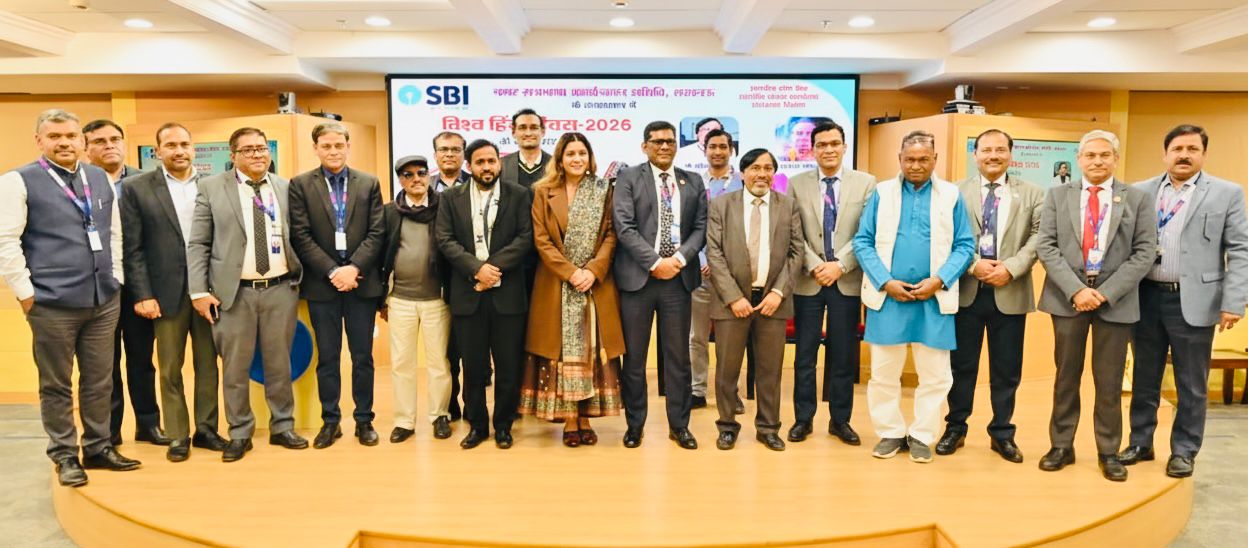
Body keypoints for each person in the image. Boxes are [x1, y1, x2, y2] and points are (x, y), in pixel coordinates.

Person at [0, 109, 140, 486]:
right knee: (56, 384)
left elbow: (113, 233)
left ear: (82, 140)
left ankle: (98, 447)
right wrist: (26, 294)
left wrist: (116, 278)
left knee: (100, 380)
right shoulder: (17, 181)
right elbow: (5, 242)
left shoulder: (98, 177)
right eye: (54, 136)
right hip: (51, 303)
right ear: (39, 141)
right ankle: (64, 454)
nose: (64, 142)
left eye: (71, 136)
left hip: (102, 299)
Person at [1120, 125, 1248, 478]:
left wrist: (1234, 301)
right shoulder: (1140, 191)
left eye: (1192, 149)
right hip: (1145, 296)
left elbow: (1240, 250)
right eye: (1177, 149)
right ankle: (1140, 443)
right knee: (1144, 376)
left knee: (1191, 383)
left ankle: (1184, 450)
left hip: (1194, 300)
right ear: (1165, 154)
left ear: (1203, 154)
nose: (1184, 155)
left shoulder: (1226, 193)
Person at [1035, 129, 1156, 482]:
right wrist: (1076, 290)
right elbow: (1046, 246)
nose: (1097, 161)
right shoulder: (1057, 195)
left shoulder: (1137, 199)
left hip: (1115, 302)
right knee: (1065, 377)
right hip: (1068, 299)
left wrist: (1105, 292)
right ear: (1079, 160)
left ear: (1116, 158)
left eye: (1105, 155)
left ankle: (1108, 451)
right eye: (1090, 155)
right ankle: (1061, 446)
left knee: (1109, 380)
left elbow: (1145, 251)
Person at [852, 130, 975, 464]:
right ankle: (890, 432)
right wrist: (885, 281)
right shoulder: (881, 193)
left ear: (935, 159)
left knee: (936, 375)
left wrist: (939, 280)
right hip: (888, 298)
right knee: (883, 373)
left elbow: (965, 245)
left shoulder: (951, 195)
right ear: (900, 159)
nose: (916, 165)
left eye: (923, 159)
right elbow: (862, 241)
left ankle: (922, 435)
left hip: (933, 299)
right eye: (910, 159)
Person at [187, 127, 308, 462]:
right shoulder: (211, 188)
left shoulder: (285, 187)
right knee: (235, 368)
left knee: (279, 363)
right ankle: (240, 432)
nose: (257, 154)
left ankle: (283, 426)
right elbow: (198, 243)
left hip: (280, 289)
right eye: (248, 149)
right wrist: (198, 291)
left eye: (262, 148)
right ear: (233, 154)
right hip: (233, 294)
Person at [935, 129, 1044, 463]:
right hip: (967, 291)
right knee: (961, 366)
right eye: (986, 150)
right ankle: (955, 427)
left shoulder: (1033, 193)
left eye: (1000, 150)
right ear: (975, 154)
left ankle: (1002, 433)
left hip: (1010, 290)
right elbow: (944, 235)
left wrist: (1011, 267)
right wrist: (973, 265)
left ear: (1010, 154)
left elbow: (1039, 236)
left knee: (1007, 369)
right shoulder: (954, 192)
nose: (993, 156)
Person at [121, 122, 226, 462]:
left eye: (184, 144)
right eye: (170, 145)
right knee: (169, 368)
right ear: (158, 151)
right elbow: (133, 247)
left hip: (207, 291)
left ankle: (206, 430)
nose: (179, 151)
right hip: (164, 294)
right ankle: (178, 434)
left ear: (193, 148)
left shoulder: (213, 185)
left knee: (208, 364)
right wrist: (142, 294)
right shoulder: (137, 188)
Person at [519, 132, 624, 446]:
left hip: (595, 285)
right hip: (556, 283)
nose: (577, 159)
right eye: (570, 154)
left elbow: (611, 234)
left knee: (591, 351)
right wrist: (571, 272)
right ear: (560, 159)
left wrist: (592, 271)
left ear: (589, 157)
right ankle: (569, 420)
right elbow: (541, 240)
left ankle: (586, 417)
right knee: (564, 353)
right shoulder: (543, 191)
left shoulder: (604, 189)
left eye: (582, 153)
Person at [289, 122, 387, 449]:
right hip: (323, 286)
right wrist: (333, 271)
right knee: (328, 357)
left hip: (361, 284)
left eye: (338, 145)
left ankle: (364, 420)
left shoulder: (369, 183)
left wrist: (353, 268)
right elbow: (301, 235)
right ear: (315, 148)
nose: (333, 151)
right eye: (326, 146)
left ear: (348, 146)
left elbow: (377, 232)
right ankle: (330, 421)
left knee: (363, 358)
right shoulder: (301, 185)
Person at [612, 120, 707, 450]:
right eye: (657, 141)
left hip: (677, 281)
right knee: (634, 359)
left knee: (678, 358)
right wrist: (655, 263)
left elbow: (700, 227)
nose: (665, 146)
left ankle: (679, 426)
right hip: (638, 280)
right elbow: (624, 227)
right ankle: (634, 425)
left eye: (670, 141)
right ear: (645, 146)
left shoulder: (692, 180)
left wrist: (677, 260)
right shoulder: (627, 178)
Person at [435, 139, 533, 449]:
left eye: (491, 161)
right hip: (469, 295)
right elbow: (445, 239)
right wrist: (477, 270)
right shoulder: (450, 198)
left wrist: (492, 270)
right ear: (469, 166)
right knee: (473, 368)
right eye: (480, 162)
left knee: (508, 368)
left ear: (500, 163)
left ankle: (503, 426)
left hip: (508, 296)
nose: (487, 167)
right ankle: (477, 426)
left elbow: (525, 238)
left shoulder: (519, 195)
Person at [705, 148, 803, 451]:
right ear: (743, 172)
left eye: (768, 168)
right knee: (727, 370)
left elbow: (796, 252)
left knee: (770, 371)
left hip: (772, 302)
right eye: (756, 168)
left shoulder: (787, 206)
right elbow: (714, 253)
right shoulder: (722, 205)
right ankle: (727, 426)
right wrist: (734, 297)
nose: (762, 174)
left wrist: (778, 292)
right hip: (731, 303)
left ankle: (768, 428)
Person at [786, 120, 876, 446]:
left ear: (844, 146)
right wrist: (815, 265)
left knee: (842, 355)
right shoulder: (796, 184)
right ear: (812, 150)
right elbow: (793, 232)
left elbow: (867, 231)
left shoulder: (866, 183)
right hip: (808, 281)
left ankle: (840, 421)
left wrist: (839, 265)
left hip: (846, 280)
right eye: (821, 145)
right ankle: (803, 419)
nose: (828, 150)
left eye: (834, 144)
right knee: (804, 356)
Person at [83, 118, 167, 447]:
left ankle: (148, 424)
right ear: (86, 148)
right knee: (105, 365)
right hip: (98, 286)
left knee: (142, 360)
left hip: (138, 286)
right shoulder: (80, 183)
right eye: (100, 141)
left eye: (115, 139)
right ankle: (109, 430)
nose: (109, 145)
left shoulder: (145, 181)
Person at [380, 155, 454, 442]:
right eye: (408, 175)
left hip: (437, 299)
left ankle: (439, 415)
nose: (416, 179)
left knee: (439, 363)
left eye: (421, 173)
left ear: (428, 176)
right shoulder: (389, 212)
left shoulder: (443, 207)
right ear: (401, 180)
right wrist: (381, 299)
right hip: (400, 299)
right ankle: (404, 421)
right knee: (402, 364)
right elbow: (380, 254)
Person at [688, 128, 742, 411]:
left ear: (731, 150)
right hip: (699, 273)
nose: (718, 151)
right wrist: (701, 260)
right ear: (704, 150)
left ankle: (729, 392)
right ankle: (697, 390)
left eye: (723, 146)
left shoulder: (743, 183)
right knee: (696, 337)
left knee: (730, 339)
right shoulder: (694, 183)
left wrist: (722, 265)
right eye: (713, 147)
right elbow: (687, 227)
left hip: (733, 276)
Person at [431, 130, 471, 421]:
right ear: (435, 155)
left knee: (468, 347)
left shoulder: (476, 184)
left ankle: (473, 403)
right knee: (445, 350)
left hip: (467, 275)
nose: (449, 154)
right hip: (433, 278)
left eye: (455, 149)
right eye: (444, 149)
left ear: (463, 155)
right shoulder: (423, 186)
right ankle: (449, 402)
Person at [499, 108, 551, 189]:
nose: (528, 133)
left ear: (543, 131)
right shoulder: (502, 165)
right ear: (513, 132)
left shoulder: (555, 164)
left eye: (534, 128)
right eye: (522, 128)